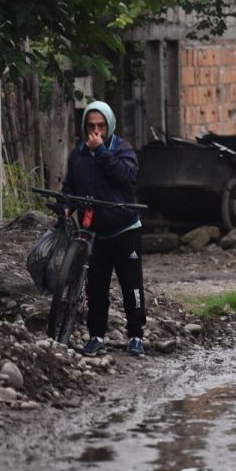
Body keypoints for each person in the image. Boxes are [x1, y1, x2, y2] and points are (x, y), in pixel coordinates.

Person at [62, 102, 146, 357]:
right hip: (95, 232)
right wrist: (66, 206)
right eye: (91, 126)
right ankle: (96, 335)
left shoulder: (122, 149)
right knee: (96, 286)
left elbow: (126, 176)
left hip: (125, 228)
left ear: (110, 125)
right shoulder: (78, 154)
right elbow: (70, 187)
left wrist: (100, 152)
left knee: (131, 284)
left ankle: (136, 336)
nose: (96, 131)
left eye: (101, 126)